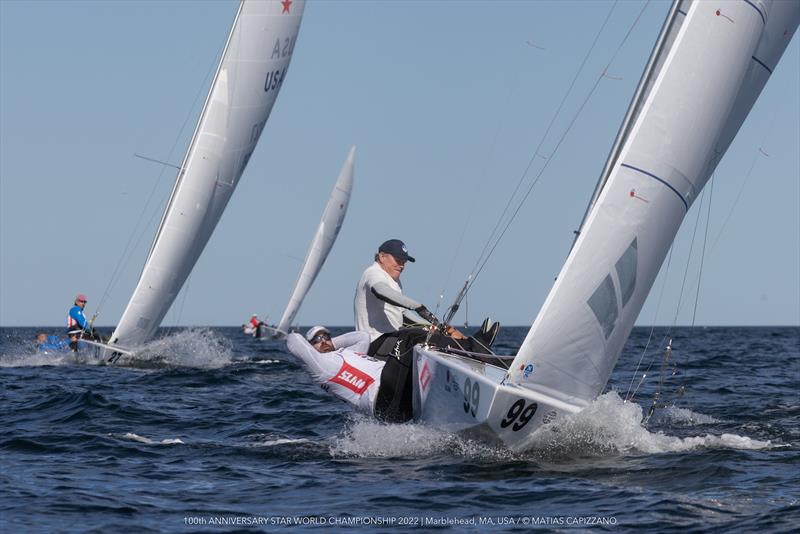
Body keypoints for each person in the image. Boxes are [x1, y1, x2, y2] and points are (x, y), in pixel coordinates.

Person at [353, 239, 499, 355]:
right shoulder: (373, 273)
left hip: (392, 338)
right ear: (382, 257)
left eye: (404, 262)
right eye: (398, 260)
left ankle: (473, 344)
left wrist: (435, 326)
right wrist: (418, 307)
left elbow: (403, 314)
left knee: (439, 332)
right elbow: (380, 290)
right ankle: (475, 348)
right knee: (419, 337)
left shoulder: (393, 280)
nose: (402, 265)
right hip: (375, 343)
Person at [286, 326, 387, 417]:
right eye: (317, 339)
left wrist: (331, 343)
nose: (323, 341)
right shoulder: (319, 365)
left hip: (386, 387)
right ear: (309, 346)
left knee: (394, 337)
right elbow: (294, 340)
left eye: (326, 337)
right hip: (378, 394)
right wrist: (295, 334)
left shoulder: (347, 352)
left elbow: (362, 337)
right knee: (403, 337)